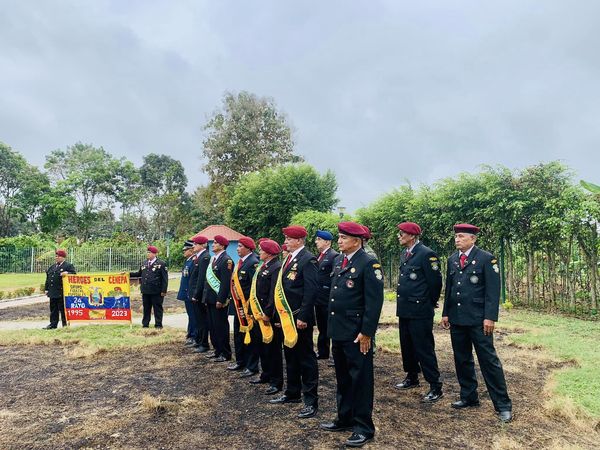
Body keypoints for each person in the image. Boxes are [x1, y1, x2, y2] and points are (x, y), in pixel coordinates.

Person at [319, 222, 384, 448]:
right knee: (343, 377)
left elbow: (374, 303)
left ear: (357, 241)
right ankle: (344, 418)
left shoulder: (368, 263)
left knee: (361, 380)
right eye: (339, 237)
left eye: (343, 238)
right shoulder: (340, 260)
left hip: (357, 333)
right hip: (339, 330)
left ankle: (364, 427)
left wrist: (367, 332)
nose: (339, 241)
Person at [441, 223, 513, 423]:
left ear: (473, 239)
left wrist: (490, 317)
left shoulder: (486, 259)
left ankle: (503, 405)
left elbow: (493, 290)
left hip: (479, 320)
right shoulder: (452, 259)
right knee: (462, 359)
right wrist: (446, 313)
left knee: (488, 361)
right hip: (457, 318)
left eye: (461, 236)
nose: (457, 239)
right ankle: (469, 396)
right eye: (456, 236)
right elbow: (449, 288)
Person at [269, 225, 320, 419]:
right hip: (286, 318)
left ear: (299, 240)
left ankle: (310, 401)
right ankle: (292, 392)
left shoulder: (308, 259)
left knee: (306, 359)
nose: (286, 242)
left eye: (289, 239)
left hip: (299, 318)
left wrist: (304, 317)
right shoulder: (288, 259)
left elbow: (311, 291)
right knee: (290, 356)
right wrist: (279, 316)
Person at [394, 222, 443, 403]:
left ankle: (435, 385)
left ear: (412, 236)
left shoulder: (426, 254)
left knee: (424, 347)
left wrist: (429, 302)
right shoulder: (405, 253)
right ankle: (412, 376)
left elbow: (435, 283)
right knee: (407, 344)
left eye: (402, 234)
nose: (399, 236)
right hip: (405, 308)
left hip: (420, 309)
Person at [249, 238, 284, 395]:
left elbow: (273, 294)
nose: (259, 252)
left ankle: (276, 382)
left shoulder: (276, 267)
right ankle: (266, 374)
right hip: (259, 313)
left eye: (262, 250)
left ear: (269, 253)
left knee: (273, 350)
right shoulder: (263, 266)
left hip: (268, 315)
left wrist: (268, 313)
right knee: (262, 346)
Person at [228, 236, 260, 377]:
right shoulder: (240, 262)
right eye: (238, 246)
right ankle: (240, 361)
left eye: (240, 246)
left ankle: (251, 366)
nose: (237, 249)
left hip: (248, 307)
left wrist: (250, 307)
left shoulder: (253, 262)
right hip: (238, 306)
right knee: (238, 334)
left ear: (248, 248)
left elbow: (254, 287)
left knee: (251, 337)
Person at [203, 235, 233, 362]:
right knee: (213, 326)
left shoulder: (226, 260)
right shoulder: (214, 259)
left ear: (222, 245)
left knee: (220, 327)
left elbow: (225, 283)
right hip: (210, 299)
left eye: (215, 243)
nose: (213, 245)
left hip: (218, 300)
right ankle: (217, 350)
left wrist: (221, 300)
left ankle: (225, 353)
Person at [129, 245, 168, 328]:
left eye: (149, 252)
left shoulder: (161, 264)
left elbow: (165, 278)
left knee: (157, 308)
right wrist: (128, 274)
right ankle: (145, 324)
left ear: (154, 254)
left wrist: (163, 291)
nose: (148, 254)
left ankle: (158, 324)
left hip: (156, 290)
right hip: (145, 290)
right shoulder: (144, 263)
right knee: (146, 308)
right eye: (147, 252)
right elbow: (139, 273)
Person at [314, 230, 339, 360]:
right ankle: (323, 351)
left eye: (319, 239)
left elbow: (334, 277)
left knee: (330, 325)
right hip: (319, 297)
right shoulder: (320, 256)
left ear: (327, 242)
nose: (316, 242)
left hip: (327, 297)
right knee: (322, 325)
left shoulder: (334, 256)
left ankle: (335, 354)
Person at [43, 249, 77, 329]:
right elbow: (48, 278)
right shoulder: (52, 267)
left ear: (63, 257)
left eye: (58, 256)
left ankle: (65, 325)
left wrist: (67, 273)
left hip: (62, 291)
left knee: (62, 309)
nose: (56, 258)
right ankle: (53, 324)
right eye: (56, 256)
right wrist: (46, 289)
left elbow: (74, 274)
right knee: (53, 309)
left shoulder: (68, 266)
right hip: (53, 291)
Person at [189, 235, 211, 353]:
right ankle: (198, 340)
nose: (193, 246)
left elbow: (201, 278)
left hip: (199, 294)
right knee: (197, 319)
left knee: (202, 320)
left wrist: (196, 294)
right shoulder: (198, 256)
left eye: (196, 244)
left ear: (203, 245)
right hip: (194, 292)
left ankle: (204, 343)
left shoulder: (205, 257)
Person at [177, 240, 196, 344]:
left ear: (191, 250)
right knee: (190, 315)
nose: (183, 252)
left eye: (185, 250)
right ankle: (190, 334)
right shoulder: (188, 261)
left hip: (190, 293)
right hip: (186, 292)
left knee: (193, 316)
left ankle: (193, 335)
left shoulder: (193, 261)